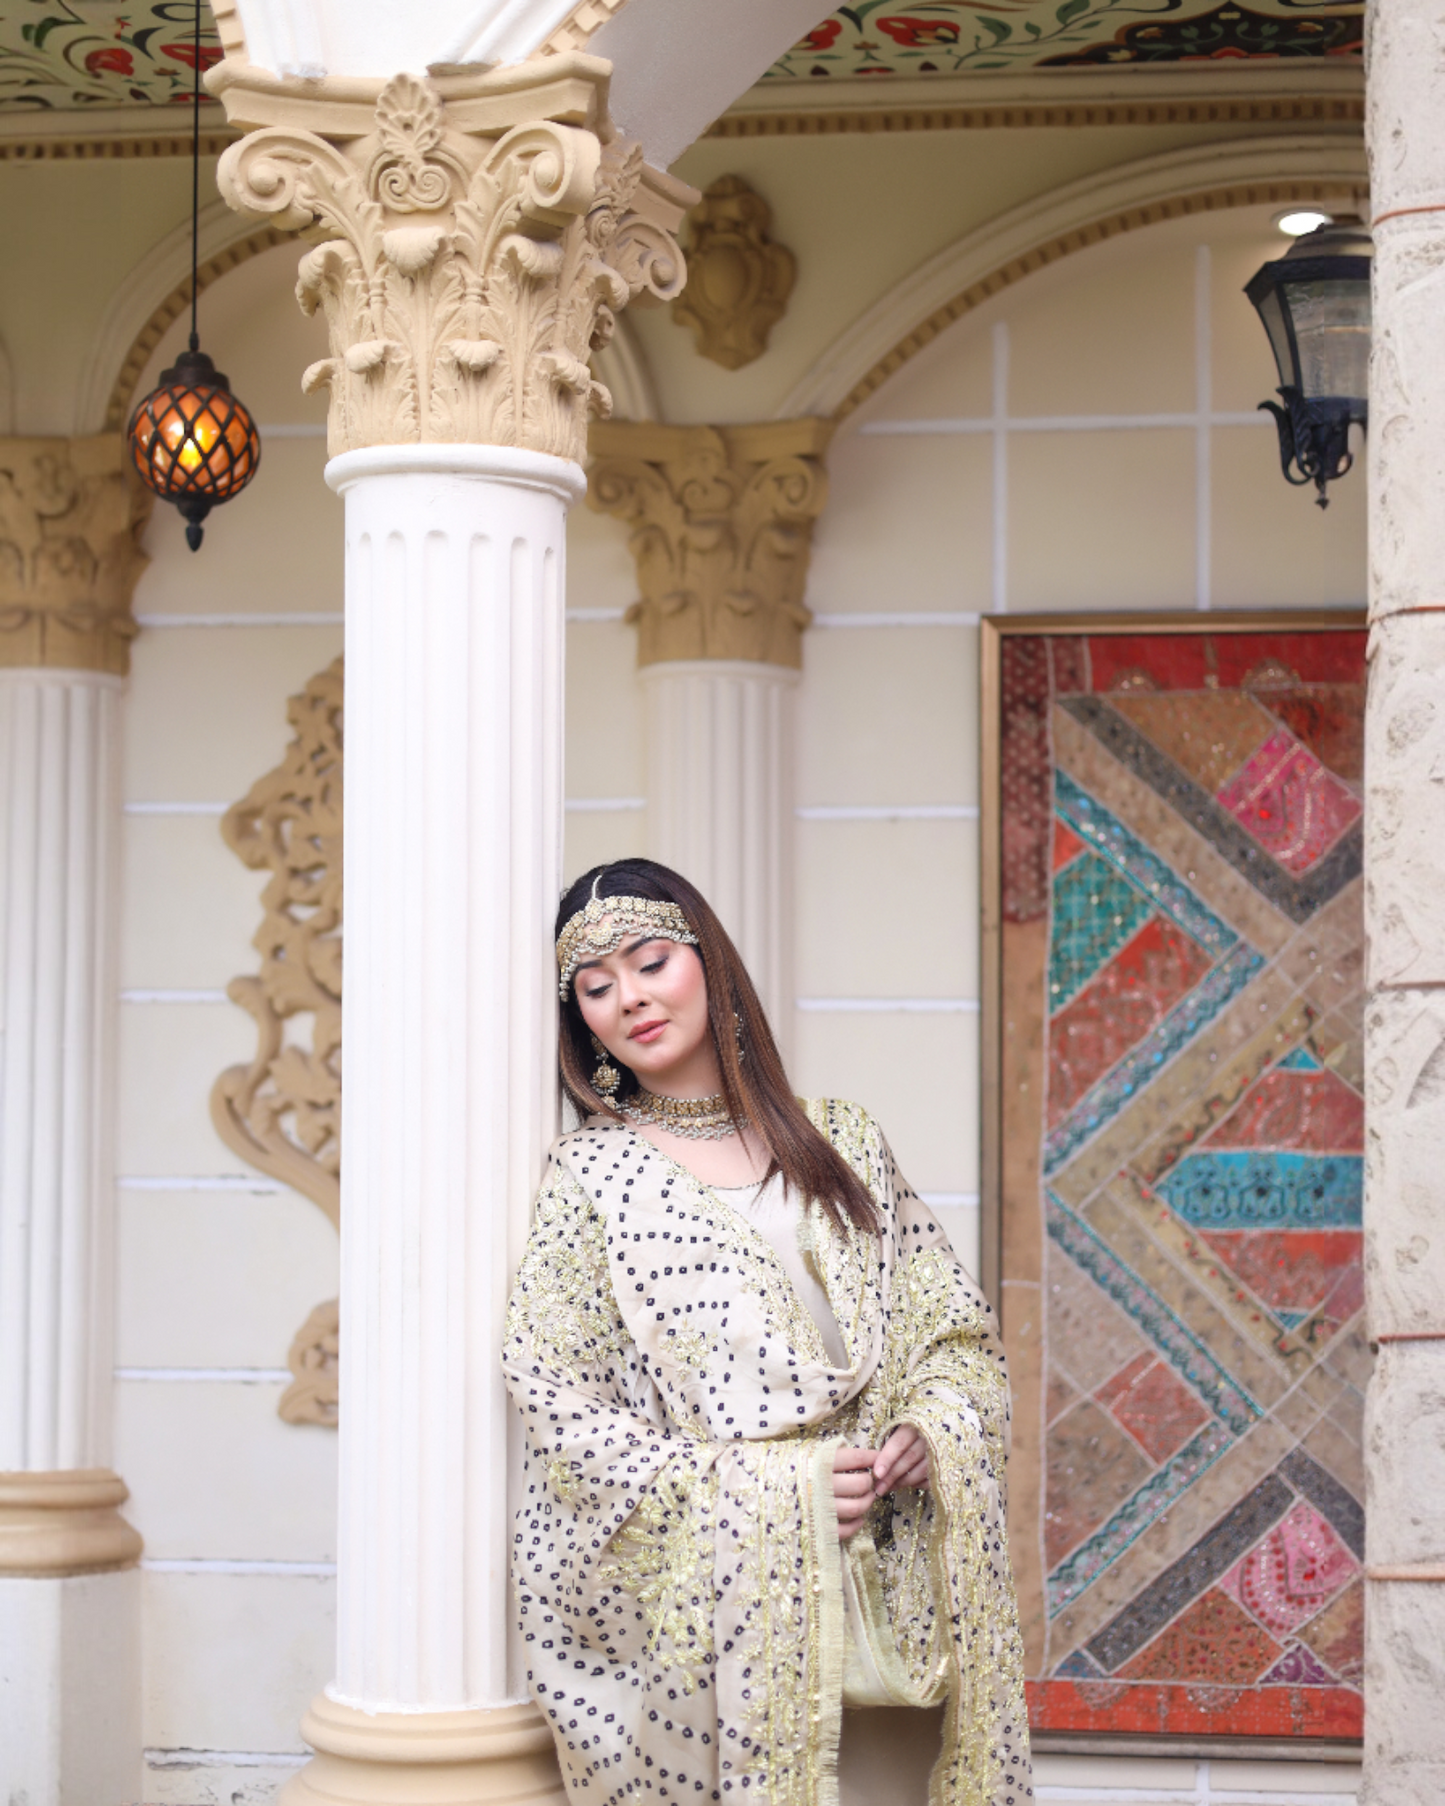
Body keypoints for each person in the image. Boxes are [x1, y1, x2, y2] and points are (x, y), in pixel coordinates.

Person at [502, 859, 1032, 1806]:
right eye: (594, 986)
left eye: (650, 962)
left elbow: (951, 1334)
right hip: (732, 1642)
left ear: (709, 964)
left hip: (894, 1624)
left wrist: (932, 1428)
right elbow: (563, 1411)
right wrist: (783, 1497)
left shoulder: (840, 1140)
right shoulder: (592, 1180)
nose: (630, 998)